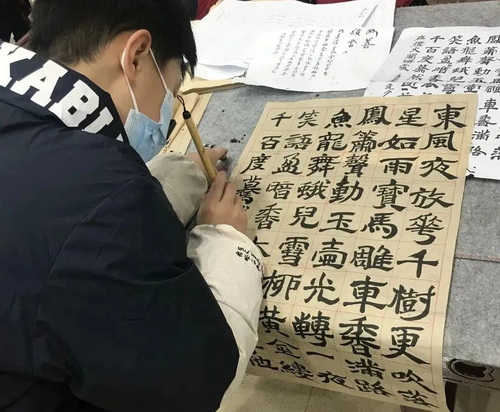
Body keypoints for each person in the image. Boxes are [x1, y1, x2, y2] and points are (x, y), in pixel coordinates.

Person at [0, 0, 263, 411]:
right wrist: (224, 239)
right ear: (136, 55)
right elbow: (195, 383)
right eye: (170, 95)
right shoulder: (103, 193)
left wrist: (164, 184)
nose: (165, 118)